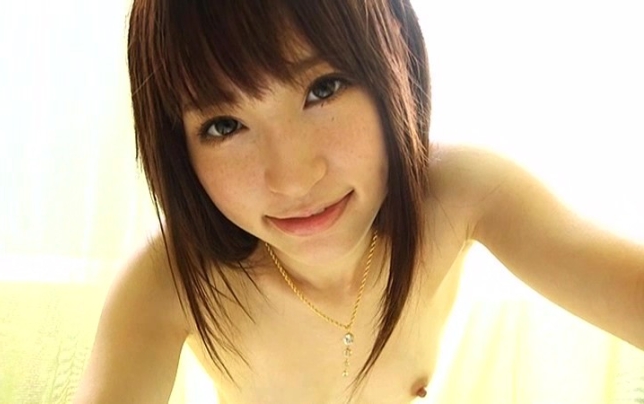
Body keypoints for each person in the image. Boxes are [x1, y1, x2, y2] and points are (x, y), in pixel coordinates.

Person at [74, 0, 644, 403]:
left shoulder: (461, 195)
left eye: (323, 89)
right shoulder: (170, 281)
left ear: (394, 61)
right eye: (225, 125)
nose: (293, 179)